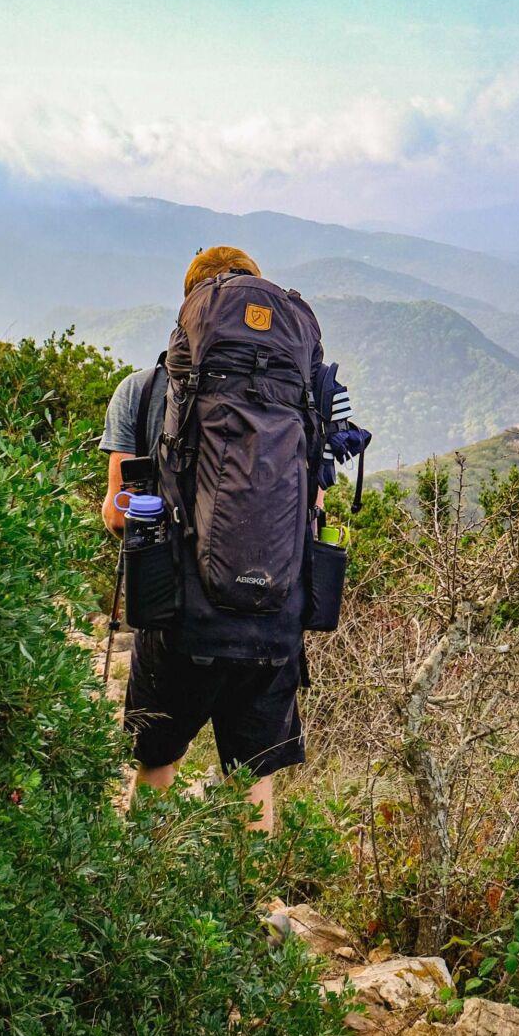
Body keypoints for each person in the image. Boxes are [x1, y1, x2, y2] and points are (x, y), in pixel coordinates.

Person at [99, 245, 335, 834]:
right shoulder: (301, 396)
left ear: (192, 310)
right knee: (253, 777)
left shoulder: (144, 390)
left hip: (181, 616)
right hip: (274, 619)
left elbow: (117, 514)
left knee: (157, 762)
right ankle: (251, 909)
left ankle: (146, 889)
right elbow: (314, 508)